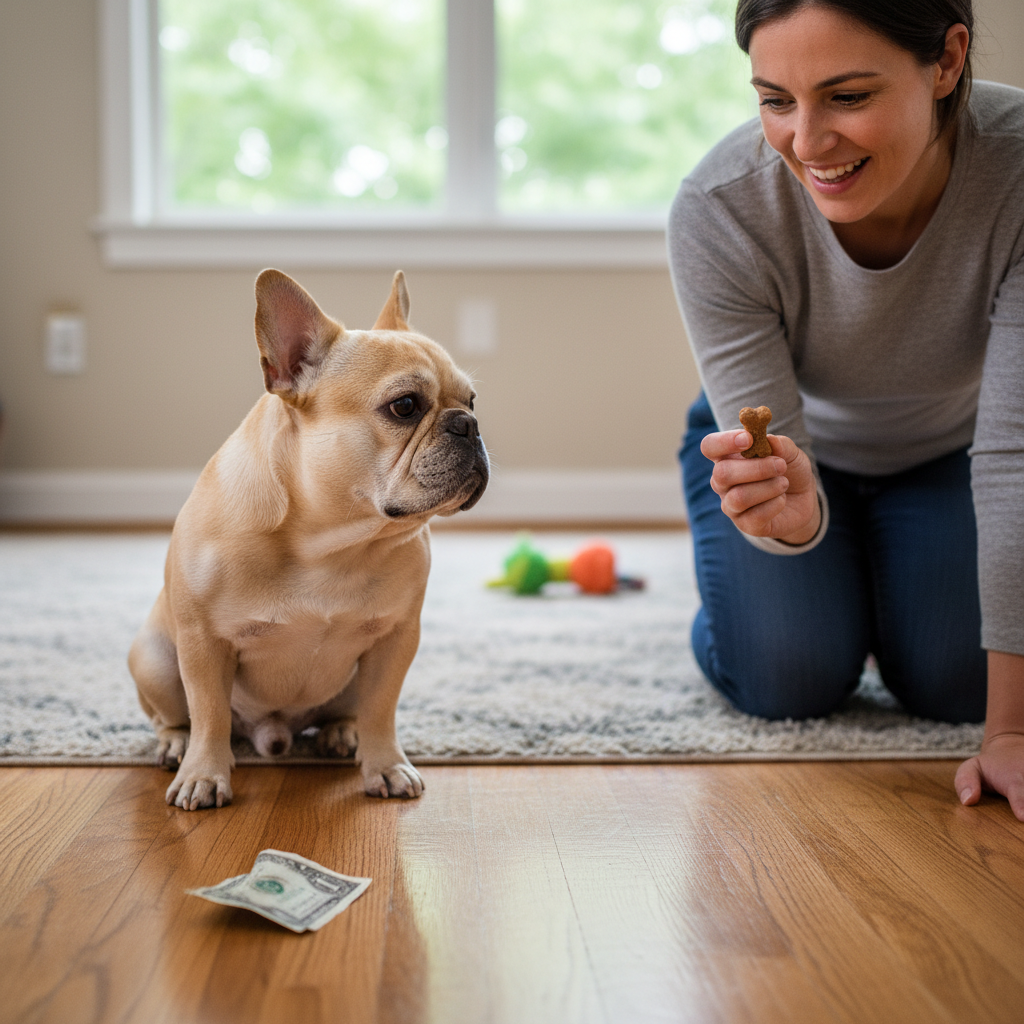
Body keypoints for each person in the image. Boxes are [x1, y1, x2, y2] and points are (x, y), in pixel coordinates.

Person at [668, 0, 1024, 819]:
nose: (808, 142)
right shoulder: (719, 209)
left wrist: (1008, 732)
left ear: (946, 61)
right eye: (776, 100)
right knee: (786, 677)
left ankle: (871, 592)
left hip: (952, 450)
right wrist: (790, 522)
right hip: (788, 456)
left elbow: (1011, 457)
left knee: (959, 684)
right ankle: (781, 598)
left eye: (849, 97)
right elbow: (774, 453)